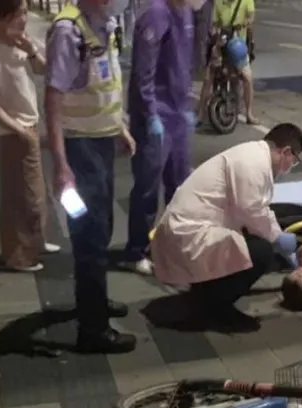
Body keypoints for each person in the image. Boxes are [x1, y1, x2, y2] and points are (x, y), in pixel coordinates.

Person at [45, 0, 138, 354]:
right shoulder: (68, 31)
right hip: (79, 148)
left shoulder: (101, 25)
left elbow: (104, 85)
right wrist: (61, 165)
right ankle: (93, 329)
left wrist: (118, 129)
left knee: (102, 228)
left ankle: (93, 300)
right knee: (90, 235)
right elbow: (53, 100)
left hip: (100, 144)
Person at [150, 123, 302, 332]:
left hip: (190, 229)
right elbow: (253, 213)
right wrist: (278, 239)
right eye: (294, 160)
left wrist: (277, 234)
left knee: (255, 240)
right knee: (261, 251)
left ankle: (206, 291)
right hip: (187, 235)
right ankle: (214, 307)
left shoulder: (253, 156)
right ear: (286, 151)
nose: (291, 166)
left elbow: (260, 209)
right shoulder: (252, 164)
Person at [120, 0, 202, 276]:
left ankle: (174, 245)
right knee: (148, 186)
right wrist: (150, 114)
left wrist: (187, 106)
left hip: (177, 113)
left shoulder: (186, 12)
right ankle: (136, 250)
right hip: (154, 115)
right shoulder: (156, 14)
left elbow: (182, 67)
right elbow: (143, 72)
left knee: (180, 186)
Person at [0, 0, 59, 272]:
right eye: (18, 14)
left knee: (36, 193)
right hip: (13, 134)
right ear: (1, 18)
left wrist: (31, 50)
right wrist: (19, 130)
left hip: (29, 127)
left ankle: (36, 242)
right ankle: (17, 256)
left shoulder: (18, 42)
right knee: (21, 198)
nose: (24, 19)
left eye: (25, 12)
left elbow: (42, 69)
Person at [198, 0, 256, 126]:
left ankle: (249, 114)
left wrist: (244, 23)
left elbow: (251, 17)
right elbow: (214, 23)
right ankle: (200, 114)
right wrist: (216, 33)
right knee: (208, 78)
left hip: (238, 47)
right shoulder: (219, 2)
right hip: (222, 45)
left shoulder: (246, 1)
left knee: (248, 78)